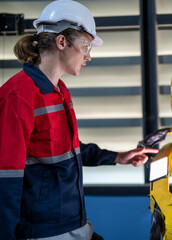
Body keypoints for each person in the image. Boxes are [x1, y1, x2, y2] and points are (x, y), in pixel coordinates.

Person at [0, 0, 158, 239]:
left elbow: (66, 150)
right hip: (43, 232)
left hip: (73, 223)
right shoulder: (18, 97)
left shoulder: (59, 90)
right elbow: (5, 178)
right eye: (86, 45)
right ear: (61, 42)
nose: (89, 56)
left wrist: (116, 157)